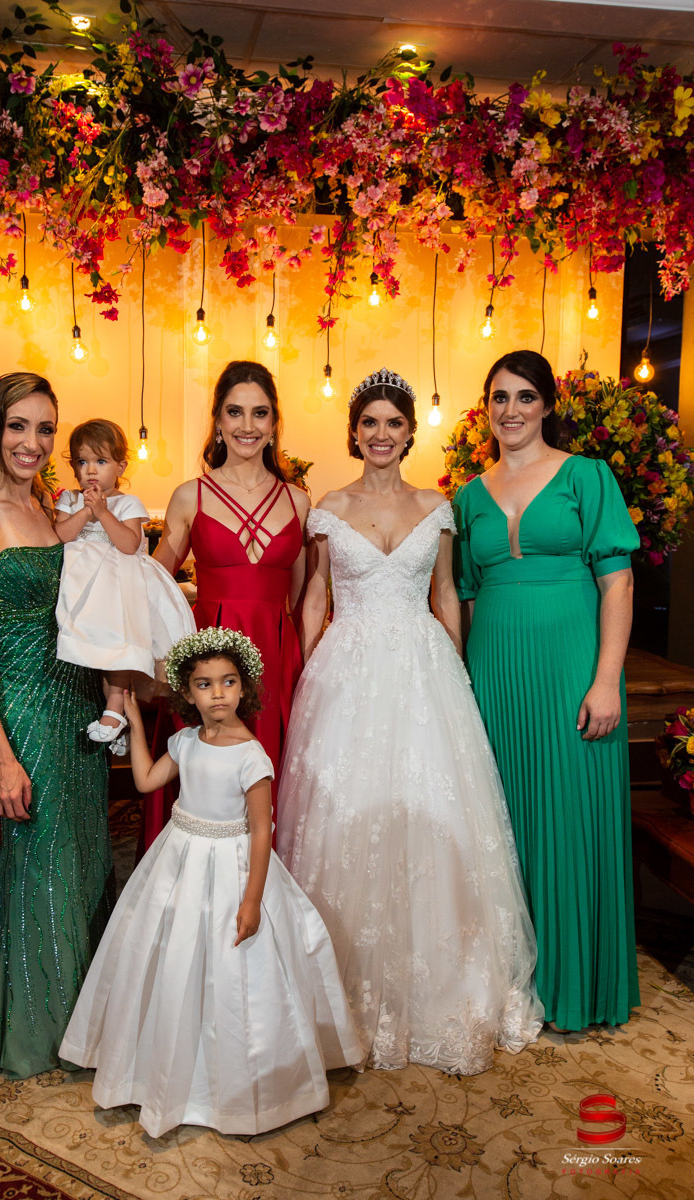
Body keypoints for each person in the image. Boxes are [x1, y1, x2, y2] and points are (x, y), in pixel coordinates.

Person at [276, 367, 543, 1074]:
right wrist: (306, 677)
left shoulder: (437, 506)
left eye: (394, 423)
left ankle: (443, 984)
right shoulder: (328, 508)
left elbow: (446, 593)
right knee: (346, 815)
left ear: (408, 433)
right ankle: (342, 986)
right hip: (347, 670)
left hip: (425, 671)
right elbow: (314, 598)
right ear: (354, 432)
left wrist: (457, 671)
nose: (382, 434)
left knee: (436, 815)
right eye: (370, 422)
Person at [59, 627, 362, 1137]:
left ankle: (238, 1087)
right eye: (204, 684)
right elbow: (145, 781)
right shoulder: (184, 742)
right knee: (173, 956)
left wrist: (252, 900)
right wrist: (135, 722)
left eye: (228, 682)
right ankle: (165, 1068)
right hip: (179, 858)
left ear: (244, 688)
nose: (218, 693)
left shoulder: (251, 756)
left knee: (231, 973)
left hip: (232, 867)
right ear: (187, 691)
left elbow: (262, 831)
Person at [452, 349, 640, 1032]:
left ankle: (574, 986)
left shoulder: (587, 476)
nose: (511, 411)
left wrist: (605, 679)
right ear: (487, 409)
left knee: (568, 816)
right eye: (499, 398)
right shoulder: (467, 497)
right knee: (500, 824)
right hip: (495, 672)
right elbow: (464, 598)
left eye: (525, 397)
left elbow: (618, 582)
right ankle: (512, 987)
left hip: (570, 667)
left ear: (548, 405)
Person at [0, 373, 113, 1080]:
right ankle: (39, 1031)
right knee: (43, 861)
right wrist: (1, 757)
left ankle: (86, 1023)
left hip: (77, 703)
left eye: (45, 429)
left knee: (85, 856)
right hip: (26, 707)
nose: (33, 443)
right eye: (19, 426)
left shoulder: (45, 507)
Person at [137, 360, 309, 854]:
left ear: (274, 424)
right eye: (235, 412)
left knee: (269, 779)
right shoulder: (189, 495)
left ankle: (265, 889)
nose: (247, 425)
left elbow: (301, 598)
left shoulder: (298, 502)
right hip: (208, 661)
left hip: (276, 659)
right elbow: (153, 585)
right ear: (217, 421)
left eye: (260, 413)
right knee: (206, 790)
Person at [54, 418, 195, 752]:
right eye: (82, 461)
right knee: (87, 649)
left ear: (120, 466)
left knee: (116, 644)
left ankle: (116, 708)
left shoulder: (127, 503)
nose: (91, 470)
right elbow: (60, 536)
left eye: (101, 461)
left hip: (113, 588)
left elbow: (130, 544)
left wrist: (103, 514)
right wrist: (85, 513)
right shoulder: (70, 499)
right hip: (77, 586)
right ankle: (112, 718)